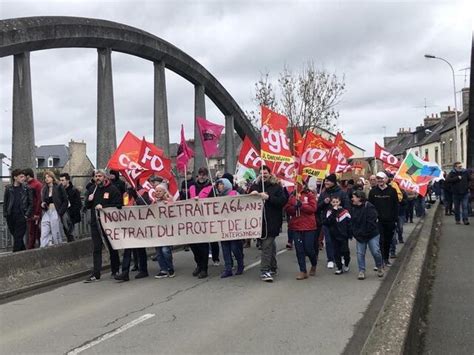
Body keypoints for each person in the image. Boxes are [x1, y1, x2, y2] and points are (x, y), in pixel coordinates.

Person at [249, 165, 288, 282]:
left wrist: (268, 197)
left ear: (270, 174)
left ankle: (264, 270)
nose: (263, 175)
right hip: (259, 222)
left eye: (265, 173)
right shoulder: (255, 185)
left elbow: (282, 201)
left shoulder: (276, 186)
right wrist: (252, 194)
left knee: (266, 245)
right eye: (261, 173)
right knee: (269, 245)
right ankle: (273, 267)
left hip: (272, 221)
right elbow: (247, 201)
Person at [84, 169, 122, 283]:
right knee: (96, 248)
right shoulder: (92, 189)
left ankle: (115, 269)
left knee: (111, 247)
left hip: (108, 224)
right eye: (96, 176)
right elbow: (87, 205)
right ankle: (96, 273)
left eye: (100, 176)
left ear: (105, 177)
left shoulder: (112, 189)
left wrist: (104, 206)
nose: (97, 178)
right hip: (96, 224)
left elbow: (119, 205)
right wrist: (89, 200)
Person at [114, 186, 150, 282]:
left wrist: (137, 197)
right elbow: (125, 205)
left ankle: (143, 269)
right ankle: (125, 272)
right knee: (128, 248)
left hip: (140, 225)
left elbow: (146, 205)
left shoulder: (143, 192)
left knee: (140, 248)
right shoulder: (127, 194)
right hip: (129, 225)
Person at [284, 182, 318, 280]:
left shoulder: (310, 195)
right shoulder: (292, 197)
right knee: (299, 250)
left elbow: (313, 208)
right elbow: (287, 208)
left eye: (299, 184)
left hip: (309, 227)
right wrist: (294, 207)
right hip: (296, 227)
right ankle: (303, 270)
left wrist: (301, 205)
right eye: (295, 184)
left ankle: (314, 263)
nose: (297, 186)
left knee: (309, 248)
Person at [317, 173, 350, 269]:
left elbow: (347, 206)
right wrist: (324, 202)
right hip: (328, 221)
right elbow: (318, 207)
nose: (326, 182)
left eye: (328, 180)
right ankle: (330, 259)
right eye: (325, 180)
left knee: (341, 240)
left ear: (334, 182)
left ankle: (342, 256)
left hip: (340, 221)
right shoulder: (323, 193)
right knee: (329, 241)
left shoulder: (341, 192)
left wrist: (340, 210)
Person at [350, 190, 384, 280]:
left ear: (359, 198)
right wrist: (355, 233)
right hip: (360, 235)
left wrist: (364, 232)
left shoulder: (369, 207)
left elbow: (372, 221)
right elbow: (352, 222)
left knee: (376, 251)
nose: (352, 199)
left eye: (354, 197)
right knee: (360, 253)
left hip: (371, 234)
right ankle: (361, 271)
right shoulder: (353, 208)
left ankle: (379, 266)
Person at [215, 178, 244, 278]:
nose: (219, 186)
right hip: (223, 227)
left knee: (235, 247)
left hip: (234, 226)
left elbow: (243, 205)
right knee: (225, 248)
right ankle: (228, 269)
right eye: (218, 185)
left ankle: (240, 264)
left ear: (226, 185)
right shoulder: (217, 197)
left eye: (221, 184)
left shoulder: (235, 194)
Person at [368, 172, 399, 267]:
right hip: (378, 221)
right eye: (378, 179)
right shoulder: (373, 192)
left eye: (381, 179)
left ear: (385, 179)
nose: (380, 180)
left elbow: (395, 206)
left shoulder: (392, 191)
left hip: (390, 220)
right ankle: (380, 260)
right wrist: (372, 218)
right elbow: (370, 206)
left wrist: (395, 219)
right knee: (380, 240)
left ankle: (386, 258)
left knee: (388, 240)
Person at [188, 167, 214, 278]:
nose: (202, 176)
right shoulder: (192, 187)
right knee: (193, 245)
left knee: (203, 245)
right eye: (200, 174)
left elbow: (214, 203)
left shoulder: (210, 188)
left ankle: (204, 268)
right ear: (197, 175)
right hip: (192, 220)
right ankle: (198, 264)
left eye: (204, 174)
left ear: (207, 176)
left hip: (204, 220)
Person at [3, 169, 33, 252]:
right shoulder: (9, 189)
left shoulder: (27, 188)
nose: (23, 178)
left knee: (18, 237)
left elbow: (31, 203)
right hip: (11, 216)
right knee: (17, 238)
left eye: (24, 176)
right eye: (21, 177)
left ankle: (13, 257)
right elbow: (6, 202)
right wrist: (6, 214)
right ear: (15, 177)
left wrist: (26, 215)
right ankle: (24, 255)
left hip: (21, 216)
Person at [323, 196, 351, 275]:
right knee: (336, 252)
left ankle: (346, 263)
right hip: (334, 235)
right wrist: (334, 212)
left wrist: (349, 234)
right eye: (333, 202)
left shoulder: (345, 212)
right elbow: (328, 221)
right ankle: (339, 267)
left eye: (337, 202)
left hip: (343, 235)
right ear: (331, 203)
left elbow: (349, 223)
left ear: (340, 202)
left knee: (345, 251)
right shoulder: (329, 212)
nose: (335, 204)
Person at [153, 183, 176, 279]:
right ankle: (163, 270)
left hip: (167, 229)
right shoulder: (154, 202)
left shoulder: (169, 200)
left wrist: (168, 203)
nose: (157, 193)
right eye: (156, 191)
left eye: (160, 191)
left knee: (165, 250)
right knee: (158, 251)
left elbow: (175, 211)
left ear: (164, 192)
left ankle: (170, 268)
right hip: (157, 229)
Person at [40, 170, 68, 247]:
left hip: (56, 211)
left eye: (48, 177)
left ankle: (58, 246)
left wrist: (60, 212)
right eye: (45, 177)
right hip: (47, 211)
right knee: (44, 230)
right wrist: (43, 204)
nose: (47, 179)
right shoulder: (44, 189)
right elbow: (44, 201)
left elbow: (65, 201)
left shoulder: (58, 186)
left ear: (52, 177)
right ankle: (44, 246)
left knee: (56, 231)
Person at [59, 173, 82, 242]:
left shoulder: (74, 190)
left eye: (63, 180)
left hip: (73, 216)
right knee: (67, 233)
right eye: (60, 180)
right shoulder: (60, 191)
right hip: (64, 214)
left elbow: (78, 204)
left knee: (72, 235)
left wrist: (72, 213)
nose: (61, 182)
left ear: (68, 180)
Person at [23, 168, 43, 249]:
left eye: (24, 176)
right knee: (34, 231)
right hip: (31, 212)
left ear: (28, 176)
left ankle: (31, 248)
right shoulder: (29, 185)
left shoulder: (37, 185)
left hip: (35, 212)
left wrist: (37, 213)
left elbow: (39, 199)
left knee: (33, 231)